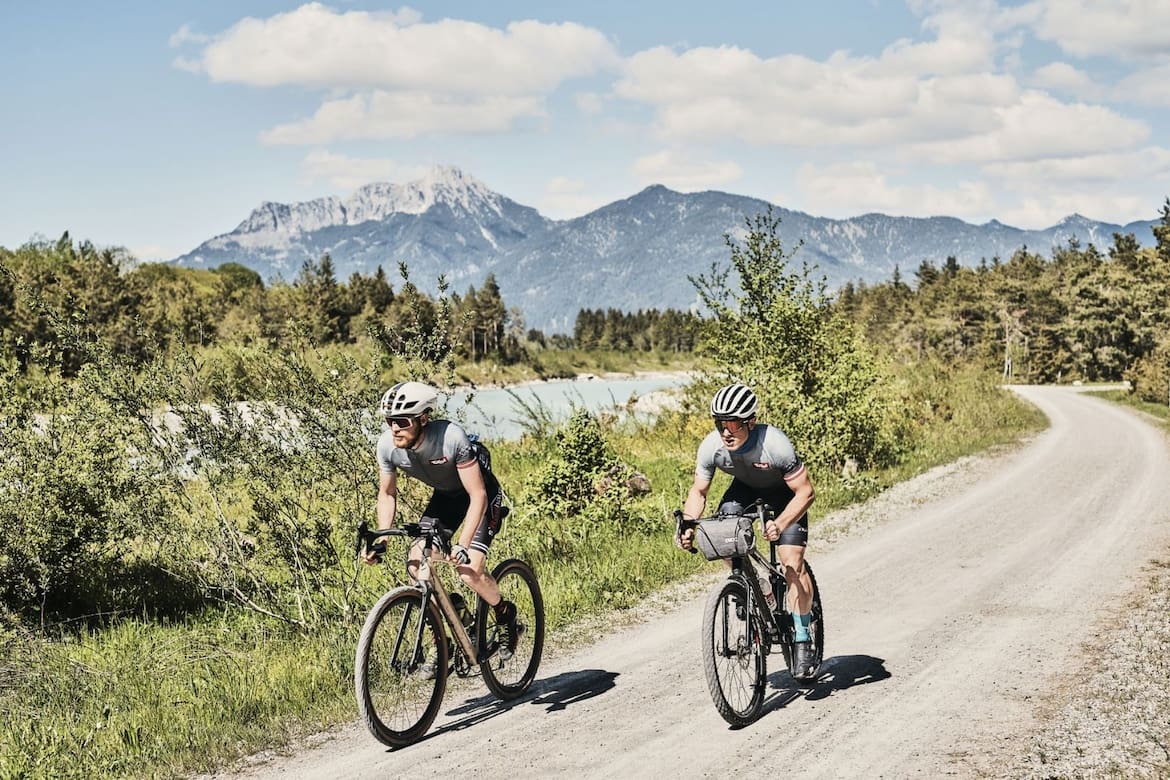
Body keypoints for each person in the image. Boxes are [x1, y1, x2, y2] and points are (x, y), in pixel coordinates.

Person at [363, 380, 518, 662]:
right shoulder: (387, 446)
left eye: (402, 421)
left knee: (469, 570)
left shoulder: (450, 438)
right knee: (416, 562)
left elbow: (478, 494)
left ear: (423, 419)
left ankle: (505, 615)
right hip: (447, 498)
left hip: (480, 496)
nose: (395, 428)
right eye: (389, 421)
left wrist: (462, 544)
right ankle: (447, 633)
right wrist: (382, 539)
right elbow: (387, 494)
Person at [677, 382, 818, 678]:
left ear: (750, 422)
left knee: (791, 564)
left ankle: (803, 636)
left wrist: (779, 524)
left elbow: (805, 492)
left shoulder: (775, 445)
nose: (725, 431)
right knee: (721, 538)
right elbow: (699, 491)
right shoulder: (712, 446)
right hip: (744, 490)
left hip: (784, 496)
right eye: (719, 423)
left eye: (732, 423)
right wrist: (688, 524)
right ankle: (759, 588)